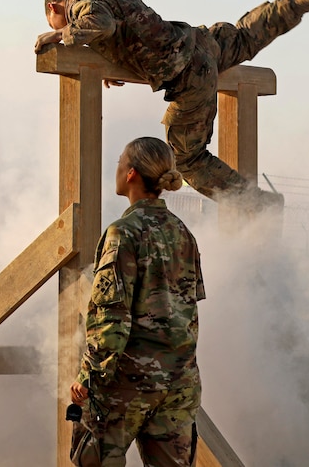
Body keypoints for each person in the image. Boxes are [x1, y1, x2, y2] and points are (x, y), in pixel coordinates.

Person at [35, 0, 309, 209]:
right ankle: (298, 3)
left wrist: (57, 35)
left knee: (186, 158)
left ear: (54, 7)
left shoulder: (78, 3)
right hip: (198, 44)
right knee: (246, 36)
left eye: (54, 19)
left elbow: (98, 24)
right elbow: (127, 32)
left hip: (187, 75)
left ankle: (254, 201)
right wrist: (105, 64)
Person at [69, 137, 205, 467]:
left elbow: (110, 317)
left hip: (126, 385)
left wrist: (88, 377)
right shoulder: (182, 231)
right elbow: (189, 307)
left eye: (119, 162)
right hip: (178, 384)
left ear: (131, 173)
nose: (115, 169)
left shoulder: (123, 232)